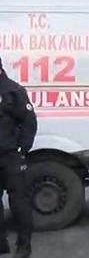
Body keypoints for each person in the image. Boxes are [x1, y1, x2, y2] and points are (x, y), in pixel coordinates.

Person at [0, 57, 37, 258]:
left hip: (10, 155)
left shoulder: (13, 91)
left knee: (19, 202)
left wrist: (23, 150)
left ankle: (24, 246)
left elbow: (29, 121)